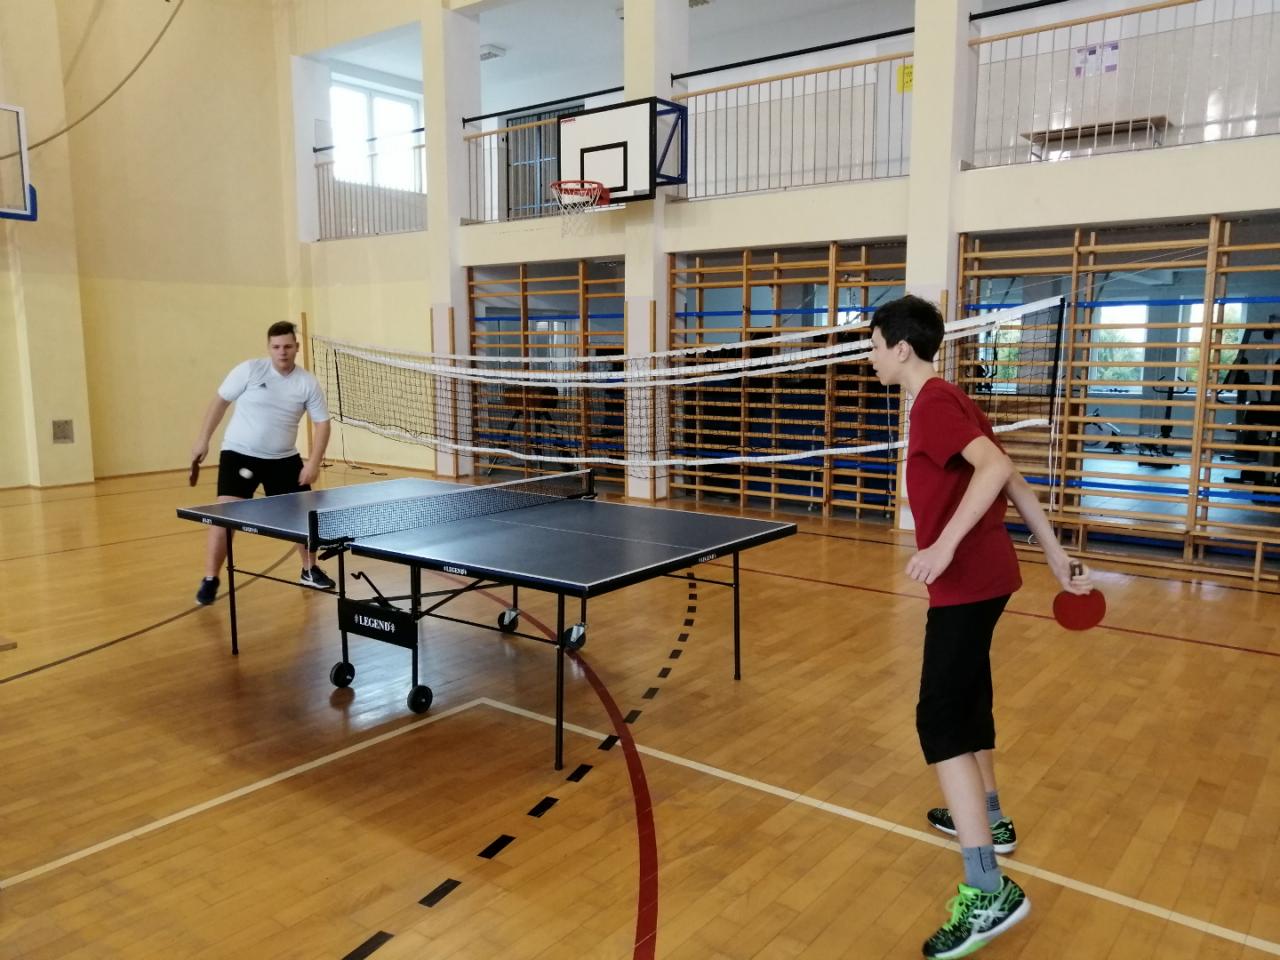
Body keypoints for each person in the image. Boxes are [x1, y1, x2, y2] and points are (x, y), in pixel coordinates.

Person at [867, 295, 1093, 959]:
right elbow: (1010, 476)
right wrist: (1054, 553)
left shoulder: (935, 403)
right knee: (968, 699)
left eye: (874, 346)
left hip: (965, 582)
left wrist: (941, 548)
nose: (870, 357)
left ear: (901, 347)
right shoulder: (950, 397)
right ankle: (990, 816)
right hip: (989, 578)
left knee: (939, 722)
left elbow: (994, 470)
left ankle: (988, 888)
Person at [190, 321, 335, 605]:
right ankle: (210, 578)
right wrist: (203, 440)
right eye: (276, 347)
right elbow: (219, 402)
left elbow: (323, 424)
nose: (282, 352)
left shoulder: (307, 382)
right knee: (225, 515)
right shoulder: (250, 370)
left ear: (296, 347)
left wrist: (314, 463)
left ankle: (309, 569)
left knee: (303, 516)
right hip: (239, 453)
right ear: (269, 347)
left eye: (288, 346)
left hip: (283, 458)